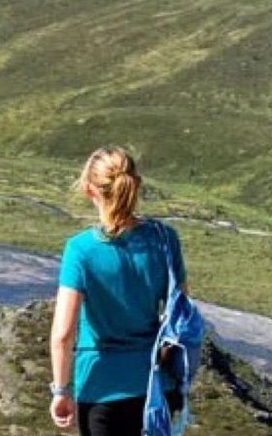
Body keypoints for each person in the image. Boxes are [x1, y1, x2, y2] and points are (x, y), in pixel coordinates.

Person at [49, 147, 190, 436]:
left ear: (90, 190)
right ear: (135, 184)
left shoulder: (80, 249)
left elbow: (63, 334)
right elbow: (182, 313)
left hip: (100, 388)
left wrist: (61, 391)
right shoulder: (164, 240)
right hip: (155, 386)